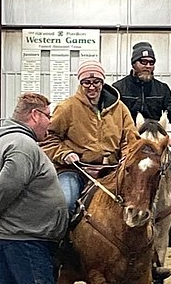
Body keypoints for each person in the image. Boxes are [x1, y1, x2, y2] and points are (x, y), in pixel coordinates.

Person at [0, 92, 68, 284]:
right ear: (35, 115)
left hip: (11, 237)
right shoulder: (23, 145)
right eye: (47, 117)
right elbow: (4, 189)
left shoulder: (2, 141)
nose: (49, 124)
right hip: (25, 238)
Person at [113, 41, 171, 247]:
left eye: (151, 62)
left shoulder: (162, 89)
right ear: (133, 63)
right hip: (128, 146)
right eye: (143, 61)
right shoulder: (118, 89)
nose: (147, 65)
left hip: (158, 147)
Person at [42, 59, 141, 217]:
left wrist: (126, 157)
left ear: (102, 82)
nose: (92, 86)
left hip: (112, 170)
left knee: (139, 201)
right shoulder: (67, 108)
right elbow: (47, 138)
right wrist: (65, 154)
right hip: (76, 170)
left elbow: (130, 139)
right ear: (80, 83)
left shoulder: (120, 108)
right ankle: (59, 240)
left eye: (96, 82)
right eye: (87, 82)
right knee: (66, 203)